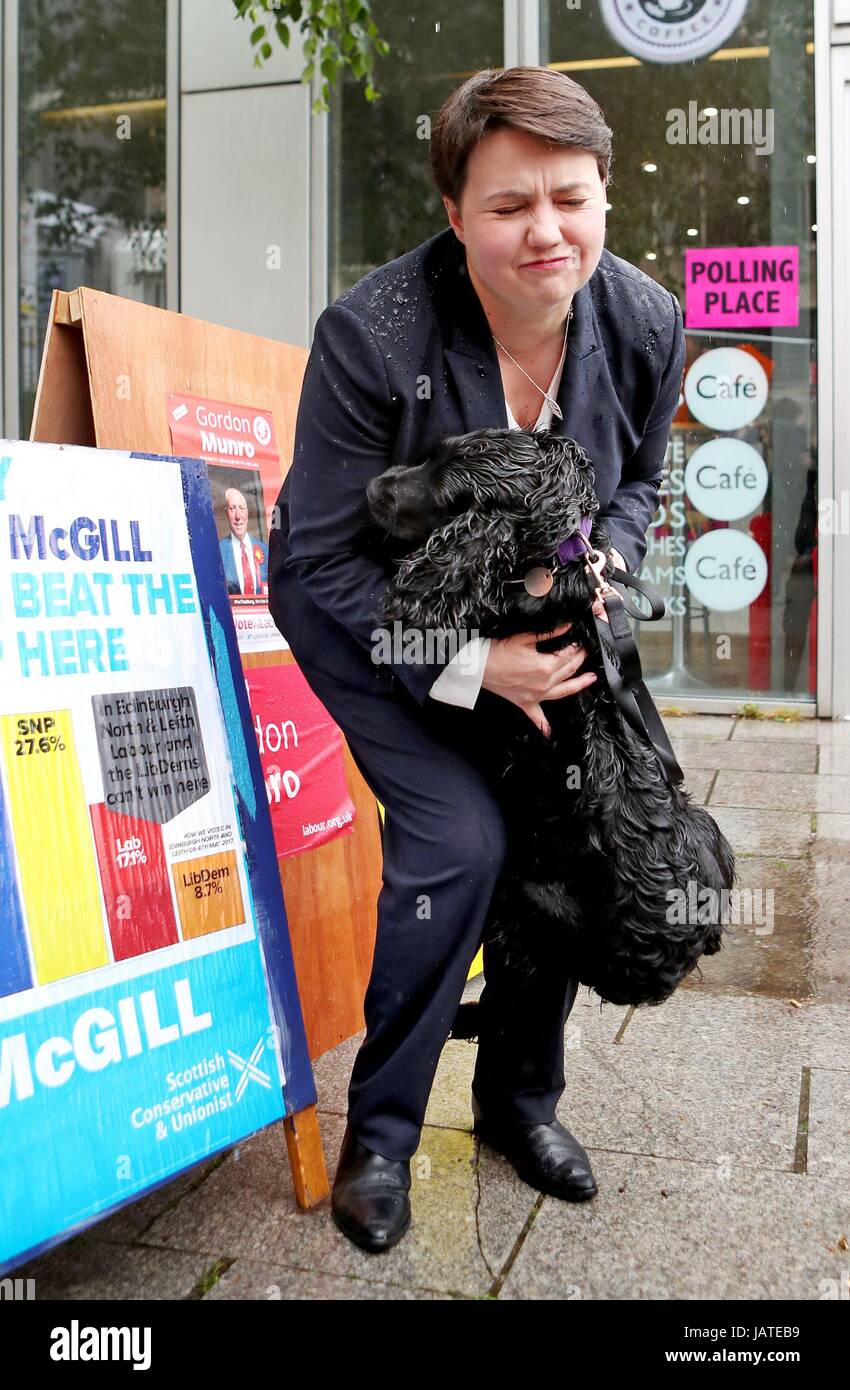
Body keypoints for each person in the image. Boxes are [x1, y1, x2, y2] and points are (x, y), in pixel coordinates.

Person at [268, 66, 685, 1253]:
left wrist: (602, 559)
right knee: (460, 844)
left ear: (603, 193)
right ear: (456, 216)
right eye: (510, 206)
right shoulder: (373, 333)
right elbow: (325, 555)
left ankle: (518, 1102)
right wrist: (471, 667)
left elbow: (640, 482)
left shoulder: (646, 321)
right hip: (369, 616)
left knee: (563, 833)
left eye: (570, 197)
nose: (545, 231)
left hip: (536, 609)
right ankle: (384, 1135)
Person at [219, 486, 268, 595]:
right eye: (232, 508)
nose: (238, 516)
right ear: (226, 513)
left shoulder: (265, 551)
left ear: (247, 512)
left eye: (241, 508)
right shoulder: (218, 552)